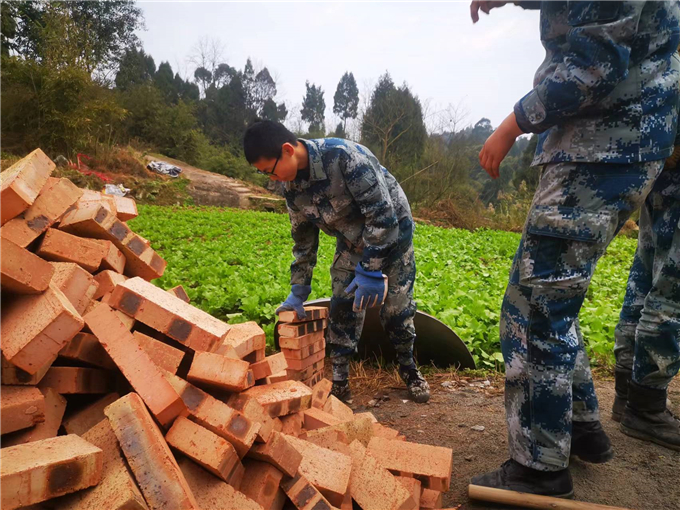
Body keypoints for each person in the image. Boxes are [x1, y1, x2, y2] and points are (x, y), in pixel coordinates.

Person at [469, 0, 680, 498]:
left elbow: (595, 65)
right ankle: (582, 427)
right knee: (551, 300)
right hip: (611, 141)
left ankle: (540, 469)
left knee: (535, 309)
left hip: (606, 142)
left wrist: (513, 123)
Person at [242, 120, 430, 403]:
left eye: (270, 170)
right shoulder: (291, 188)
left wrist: (371, 270)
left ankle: (409, 369)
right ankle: (340, 382)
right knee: (342, 304)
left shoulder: (345, 157)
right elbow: (303, 241)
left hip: (393, 236)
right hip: (352, 242)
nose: (273, 179)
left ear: (287, 150)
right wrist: (298, 290)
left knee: (396, 312)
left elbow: (383, 217)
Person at [612, 129, 680, 449]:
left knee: (643, 281)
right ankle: (646, 407)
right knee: (672, 291)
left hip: (658, 165)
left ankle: (627, 395)